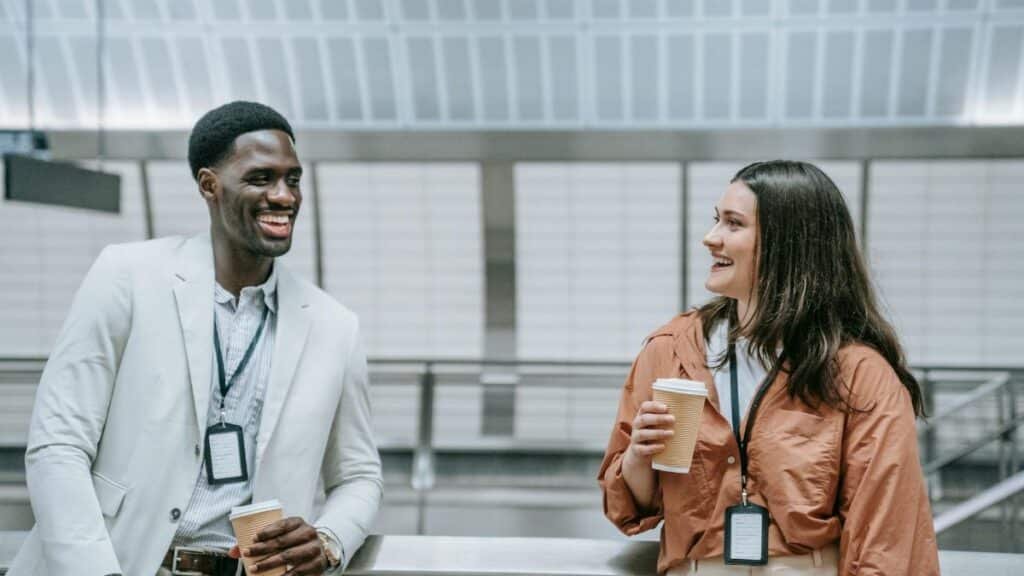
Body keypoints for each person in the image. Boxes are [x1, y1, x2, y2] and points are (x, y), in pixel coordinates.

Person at [9, 101, 382, 576]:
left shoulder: (335, 327)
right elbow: (58, 444)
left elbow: (359, 476)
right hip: (118, 564)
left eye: (292, 179)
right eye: (261, 178)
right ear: (209, 185)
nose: (285, 196)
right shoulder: (126, 277)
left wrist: (330, 541)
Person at [599, 160, 939, 575]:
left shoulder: (859, 375)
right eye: (715, 220)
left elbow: (885, 540)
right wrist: (638, 458)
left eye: (733, 224)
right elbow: (630, 508)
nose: (710, 238)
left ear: (787, 244)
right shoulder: (670, 351)